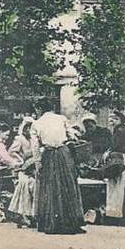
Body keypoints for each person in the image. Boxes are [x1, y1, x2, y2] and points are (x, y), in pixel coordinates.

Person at [31, 99, 85, 235]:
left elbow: (35, 147)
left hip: (48, 155)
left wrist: (38, 163)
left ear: (39, 109)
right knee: (67, 186)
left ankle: (49, 222)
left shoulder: (36, 123)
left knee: (49, 188)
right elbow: (72, 135)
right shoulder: (61, 119)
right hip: (63, 153)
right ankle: (71, 221)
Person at [7, 118, 37, 227]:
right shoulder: (19, 139)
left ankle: (33, 215)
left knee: (35, 187)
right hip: (22, 170)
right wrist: (20, 160)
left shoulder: (34, 139)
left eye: (31, 127)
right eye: (27, 127)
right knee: (26, 186)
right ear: (24, 128)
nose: (29, 130)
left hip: (32, 168)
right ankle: (24, 215)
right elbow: (11, 152)